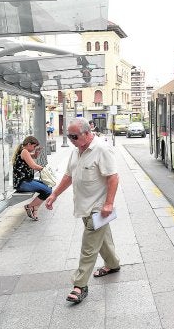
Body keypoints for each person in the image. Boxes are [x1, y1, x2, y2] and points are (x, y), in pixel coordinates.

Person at [45, 117, 120, 304]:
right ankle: (113, 264)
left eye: (74, 136)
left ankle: (80, 286)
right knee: (102, 239)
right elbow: (69, 176)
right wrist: (54, 195)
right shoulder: (76, 151)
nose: (71, 139)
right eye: (68, 136)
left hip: (98, 207)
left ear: (87, 133)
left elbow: (113, 177)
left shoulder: (102, 149)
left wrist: (108, 204)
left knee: (88, 247)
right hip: (83, 207)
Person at [12, 136, 52, 221]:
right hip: (22, 183)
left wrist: (36, 152)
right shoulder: (24, 151)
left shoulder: (23, 151)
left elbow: (34, 156)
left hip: (26, 181)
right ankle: (29, 207)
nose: (34, 148)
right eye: (34, 147)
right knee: (48, 190)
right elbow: (33, 165)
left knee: (49, 186)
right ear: (29, 144)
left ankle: (35, 208)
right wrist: (44, 169)